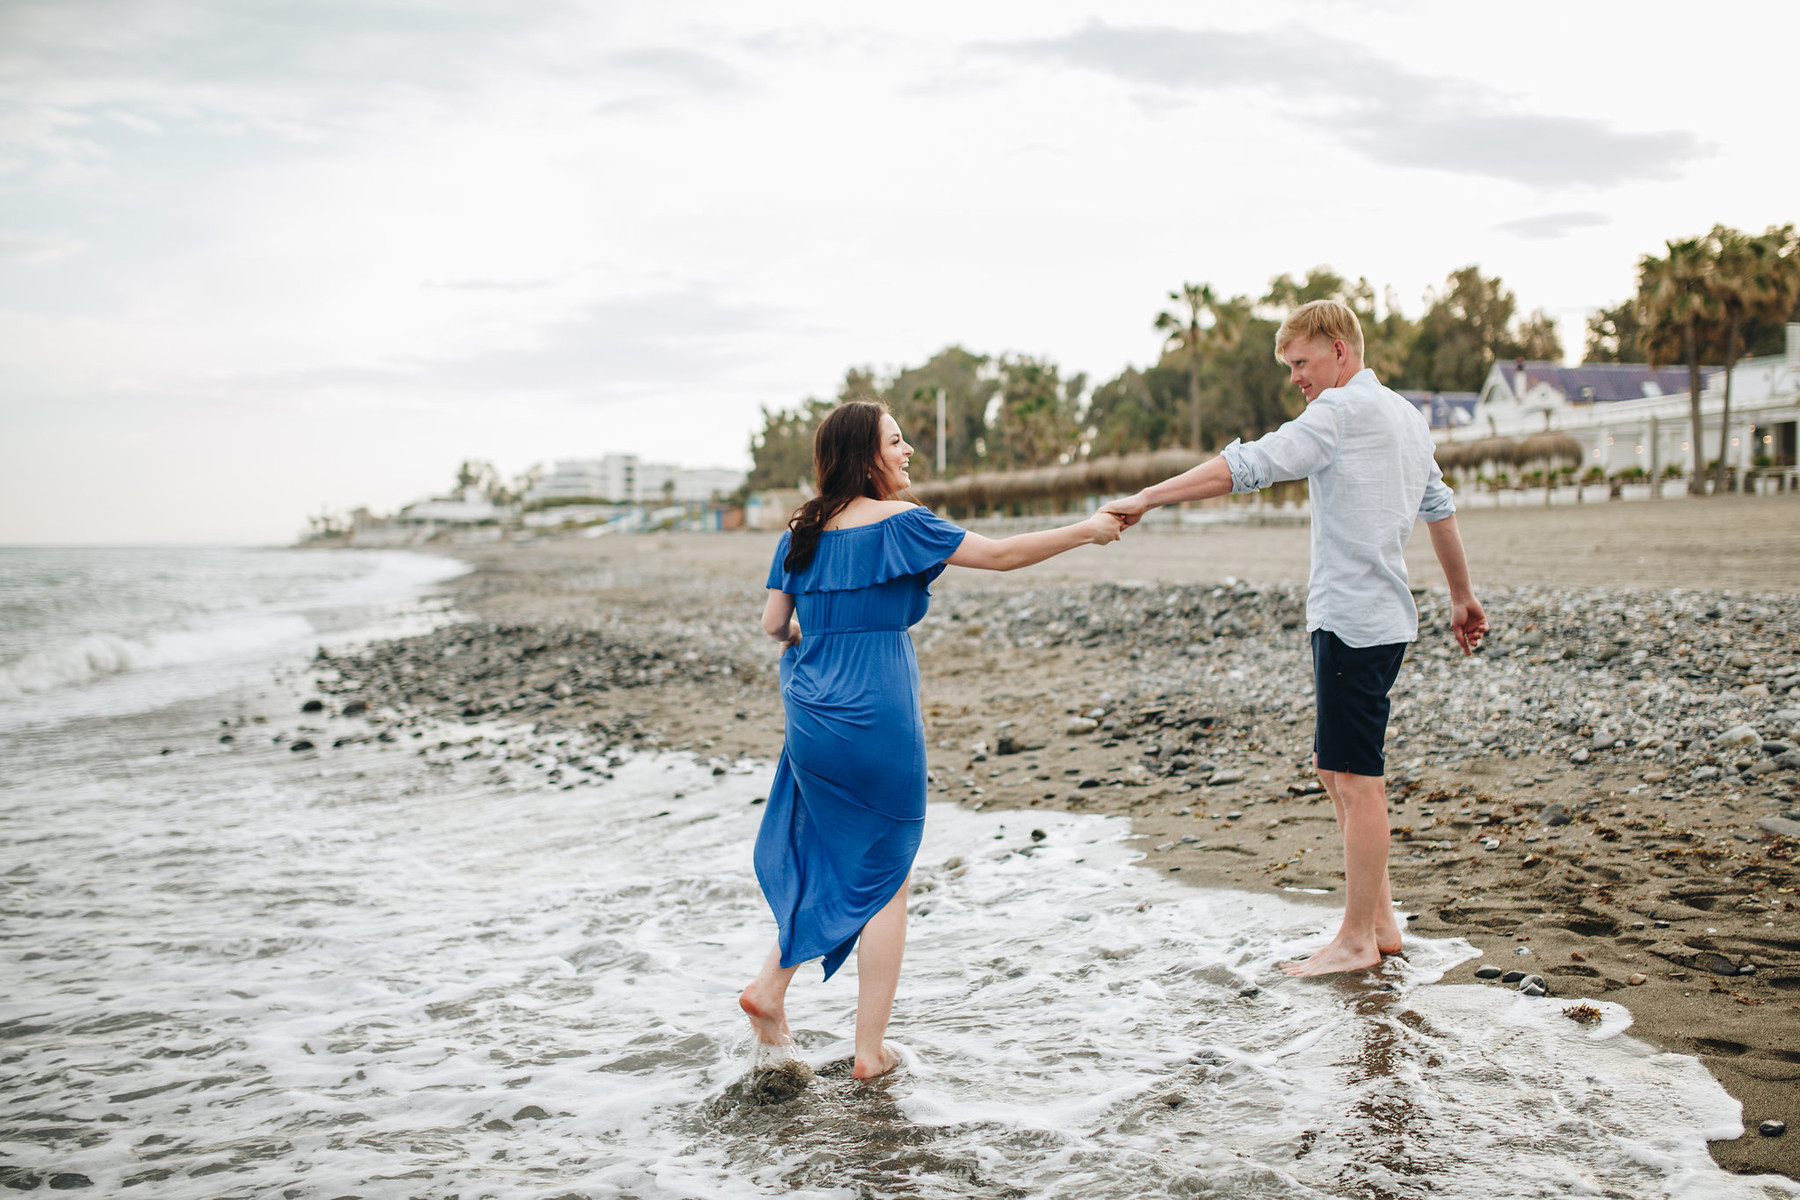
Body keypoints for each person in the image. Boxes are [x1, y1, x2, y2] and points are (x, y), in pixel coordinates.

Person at [740, 399, 1125, 1078]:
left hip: (812, 712)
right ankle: (868, 1052)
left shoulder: (800, 527)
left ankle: (771, 989)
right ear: (867, 455)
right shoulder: (904, 523)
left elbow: (774, 624)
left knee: (828, 852)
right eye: (897, 440)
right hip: (877, 708)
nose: (908, 449)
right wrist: (1088, 530)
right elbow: (1002, 556)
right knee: (888, 875)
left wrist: (816, 637)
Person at [1102, 299, 1487, 977]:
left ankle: (1357, 939)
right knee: (1333, 767)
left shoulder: (1339, 414)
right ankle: (1381, 922)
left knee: (1357, 778)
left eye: (1301, 362)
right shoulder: (1404, 415)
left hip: (1353, 618)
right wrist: (1462, 597)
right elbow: (1442, 509)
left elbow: (1246, 466)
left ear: (1340, 349)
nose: (1295, 379)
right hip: (1379, 621)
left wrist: (1149, 497)